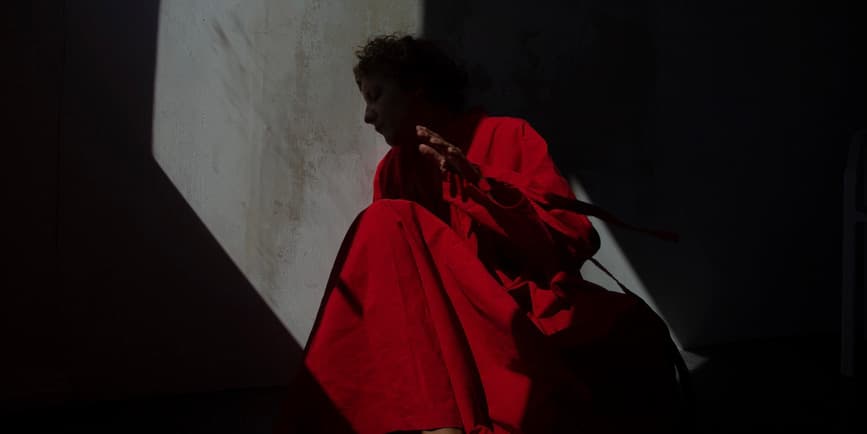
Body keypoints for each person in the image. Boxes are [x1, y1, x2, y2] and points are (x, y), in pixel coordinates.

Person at [280, 34, 680, 434]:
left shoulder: (510, 136)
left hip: (511, 308)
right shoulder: (393, 172)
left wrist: (480, 185)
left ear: (416, 90)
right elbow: (398, 294)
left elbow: (571, 241)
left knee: (386, 218)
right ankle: (435, 421)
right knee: (383, 220)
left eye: (376, 95)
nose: (368, 116)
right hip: (446, 323)